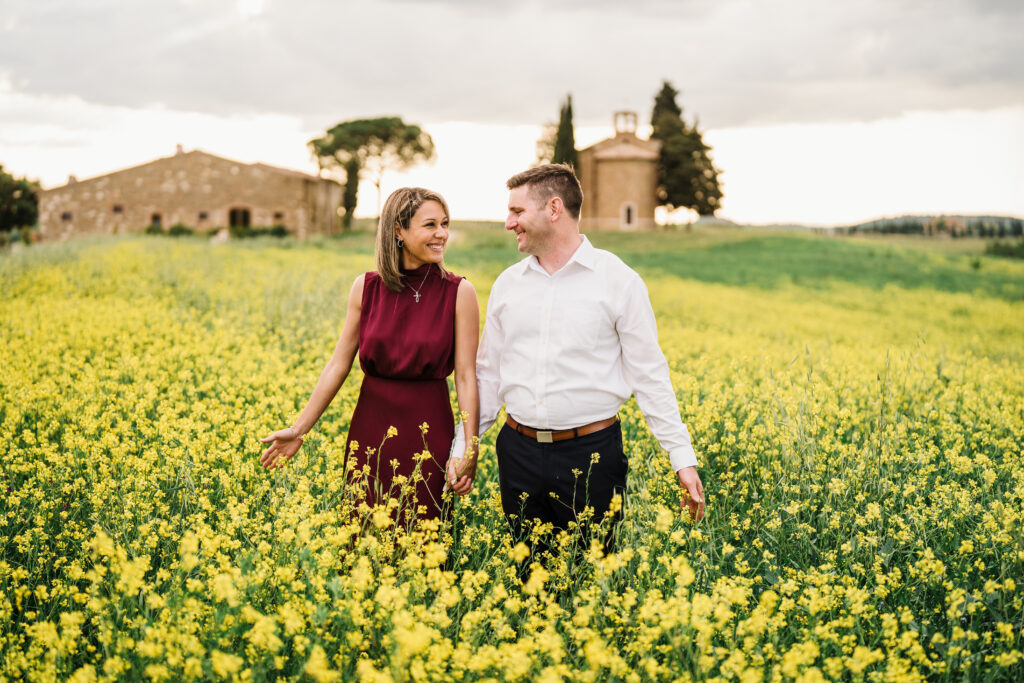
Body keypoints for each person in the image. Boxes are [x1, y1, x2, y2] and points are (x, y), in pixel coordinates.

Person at [451, 164, 704, 552]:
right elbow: (488, 377)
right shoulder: (508, 285)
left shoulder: (619, 281)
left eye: (517, 211)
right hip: (518, 452)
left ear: (553, 209)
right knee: (527, 575)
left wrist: (681, 458)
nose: (508, 223)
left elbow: (650, 376)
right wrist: (464, 447)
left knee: (593, 575)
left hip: (592, 457)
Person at [260, 187, 480, 521]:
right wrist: (299, 429)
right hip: (370, 430)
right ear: (398, 231)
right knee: (362, 532)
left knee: (424, 533)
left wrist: (469, 448)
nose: (442, 234)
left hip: (429, 430)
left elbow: (465, 377)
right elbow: (338, 365)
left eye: (445, 224)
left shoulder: (460, 292)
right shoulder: (366, 287)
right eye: (430, 225)